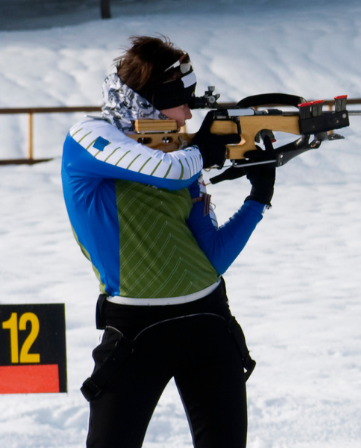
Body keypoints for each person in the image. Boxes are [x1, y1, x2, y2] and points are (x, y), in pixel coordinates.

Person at [63, 35, 275, 448]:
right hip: (135, 330)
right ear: (150, 99)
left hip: (208, 319)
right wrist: (203, 152)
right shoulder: (88, 137)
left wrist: (257, 199)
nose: (186, 116)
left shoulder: (179, 156)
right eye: (181, 101)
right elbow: (163, 170)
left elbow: (211, 258)